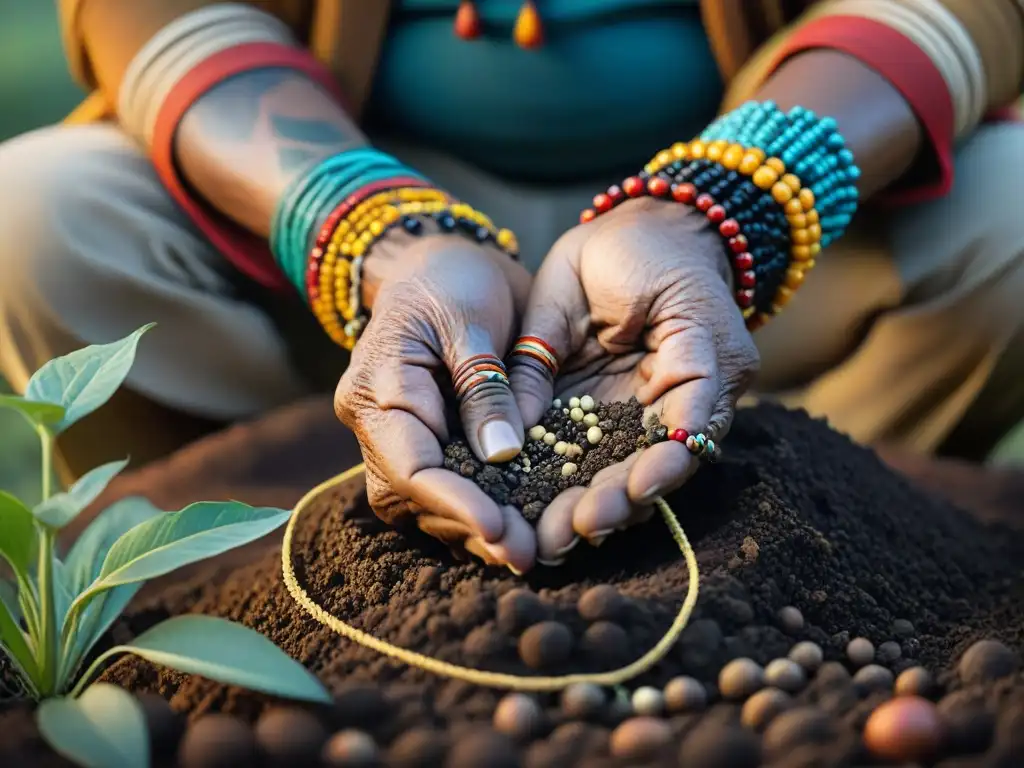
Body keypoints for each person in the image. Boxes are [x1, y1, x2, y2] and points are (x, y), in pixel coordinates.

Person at [1, 0, 1023, 573]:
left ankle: (805, 524)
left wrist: (713, 207)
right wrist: (382, 234)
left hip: (730, 248)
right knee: (39, 210)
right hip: (352, 213)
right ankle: (215, 548)